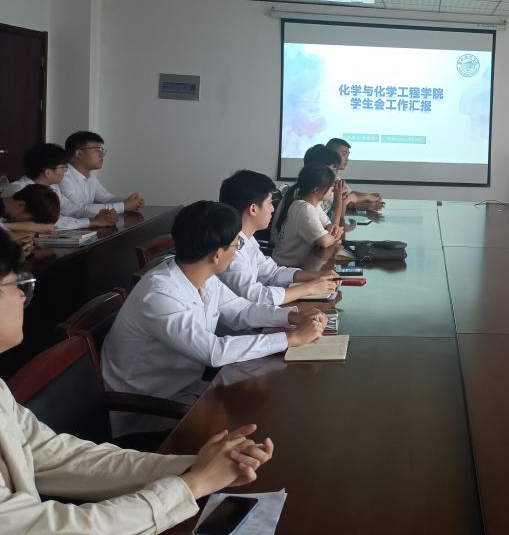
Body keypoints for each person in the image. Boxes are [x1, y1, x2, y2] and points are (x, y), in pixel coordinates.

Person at [0, 227, 276, 534]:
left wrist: (193, 467)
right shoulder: (160, 290)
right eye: (15, 283)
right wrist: (192, 485)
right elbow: (43, 528)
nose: (22, 295)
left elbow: (60, 457)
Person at [102, 201, 325, 436]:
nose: (238, 250)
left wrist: (291, 316)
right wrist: (290, 339)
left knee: (266, 405)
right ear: (217, 254)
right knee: (264, 423)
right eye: (236, 244)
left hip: (187, 388)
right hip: (150, 410)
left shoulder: (199, 275)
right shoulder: (159, 295)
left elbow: (240, 310)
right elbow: (213, 351)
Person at [218, 169, 341, 305]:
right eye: (270, 203)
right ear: (253, 209)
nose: (272, 209)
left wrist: (317, 275)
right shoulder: (230, 249)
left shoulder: (248, 239)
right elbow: (256, 296)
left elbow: (272, 273)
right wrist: (308, 288)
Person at [3, 143, 117, 230]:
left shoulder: (52, 188)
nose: (65, 172)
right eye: (63, 168)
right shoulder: (19, 189)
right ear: (48, 172)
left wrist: (99, 216)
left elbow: (71, 209)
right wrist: (93, 222)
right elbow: (52, 222)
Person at [59, 131, 144, 219]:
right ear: (79, 154)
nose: (102, 154)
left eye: (101, 150)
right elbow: (79, 209)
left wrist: (129, 202)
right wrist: (124, 206)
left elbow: (106, 198)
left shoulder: (91, 176)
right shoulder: (63, 176)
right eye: (97, 150)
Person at [272, 165, 345, 268]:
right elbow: (324, 242)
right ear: (316, 189)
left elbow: (329, 226)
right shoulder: (304, 209)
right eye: (331, 187)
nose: (333, 190)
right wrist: (337, 236)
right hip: (286, 267)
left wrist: (333, 231)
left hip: (297, 265)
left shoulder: (312, 205)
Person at [325, 137, 384, 212]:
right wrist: (363, 204)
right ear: (331, 154)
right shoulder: (324, 178)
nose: (347, 159)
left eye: (347, 156)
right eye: (343, 154)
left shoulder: (336, 177)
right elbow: (335, 204)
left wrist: (368, 196)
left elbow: (348, 195)